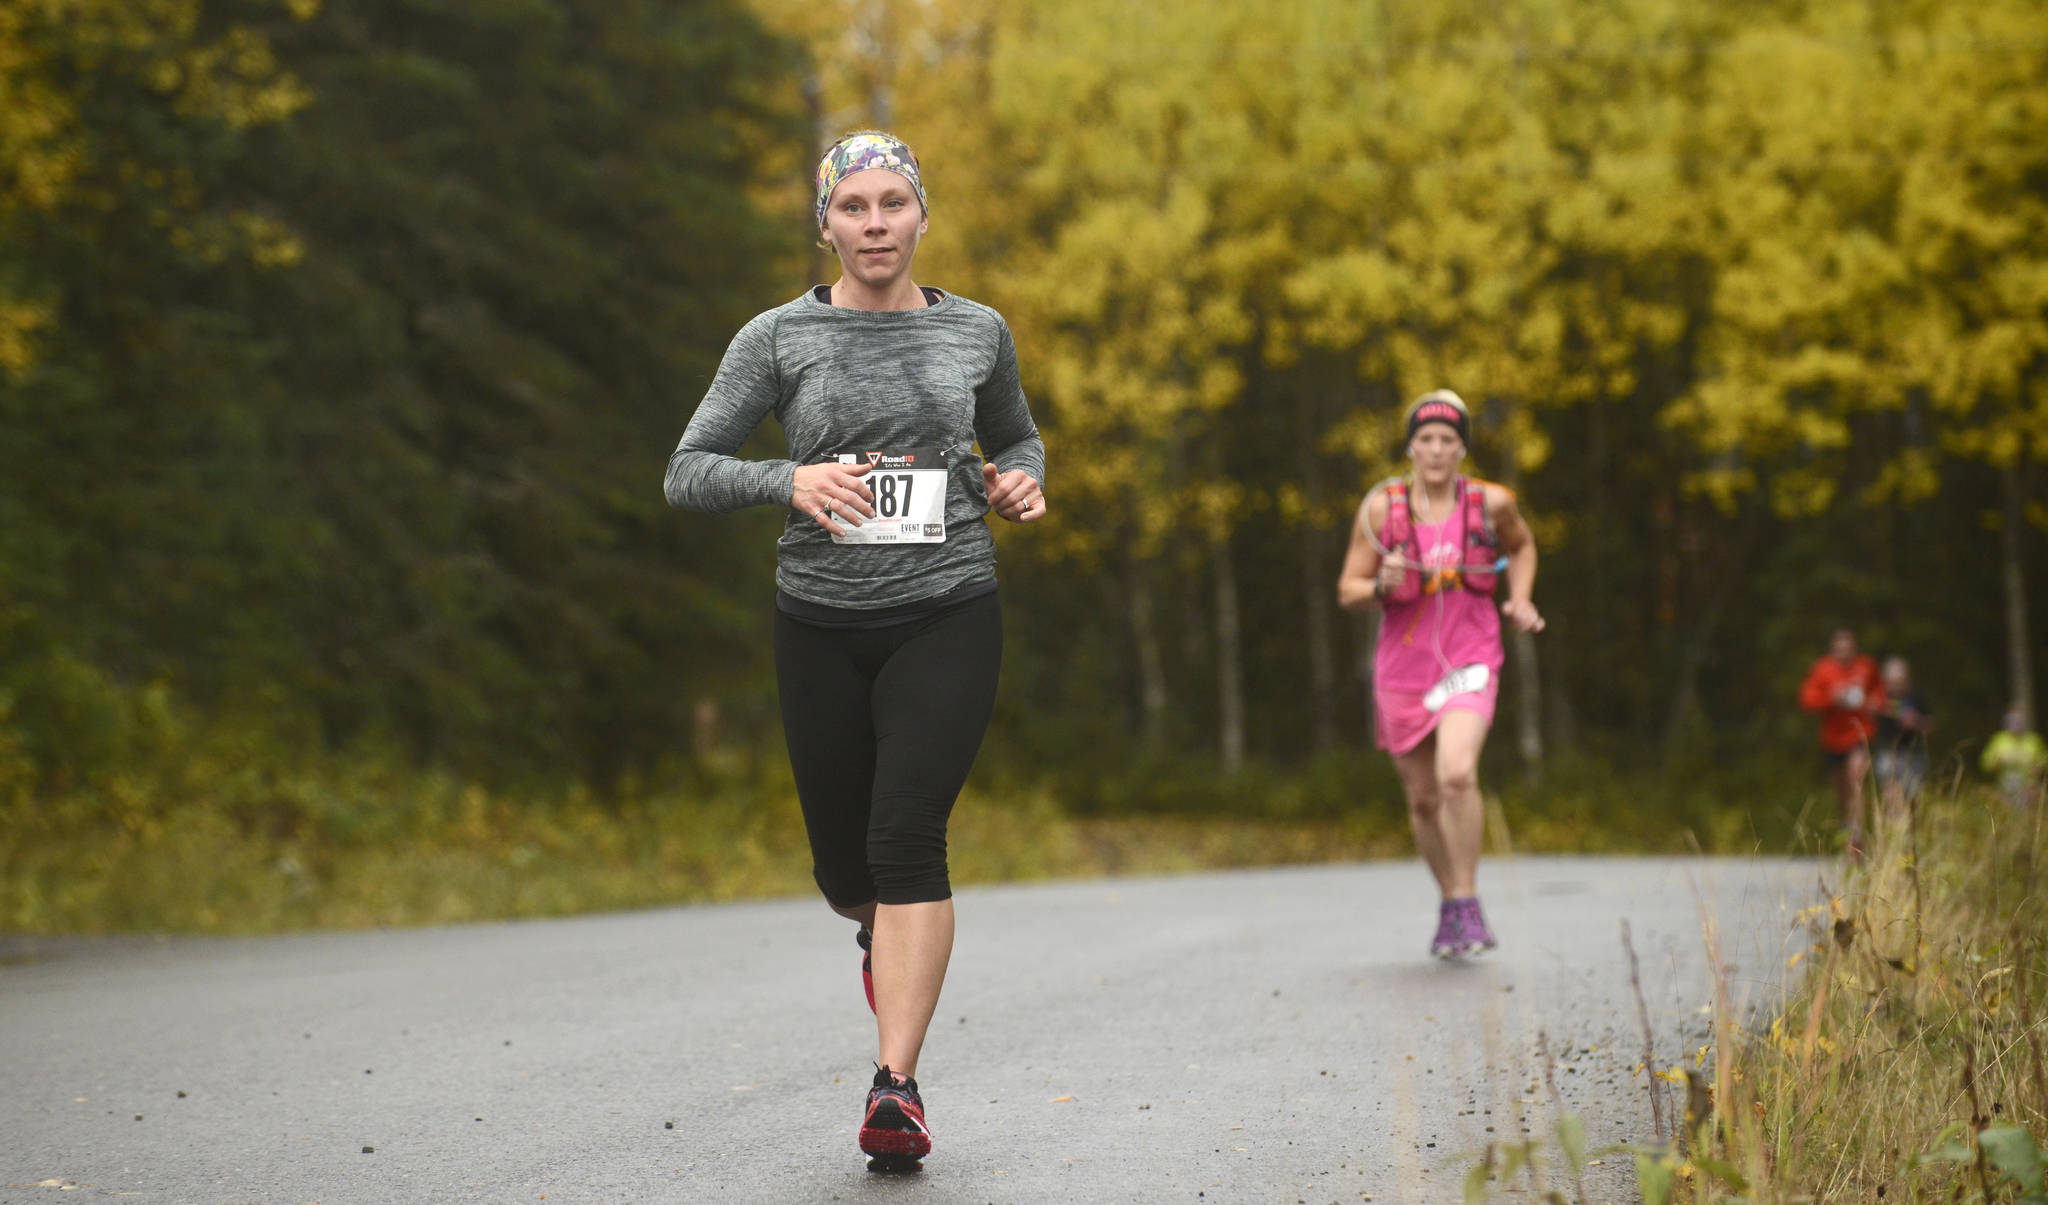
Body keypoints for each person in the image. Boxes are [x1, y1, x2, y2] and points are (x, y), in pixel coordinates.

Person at [663, 130, 1046, 1169]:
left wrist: (1021, 481)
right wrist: (785, 479)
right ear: (824, 222)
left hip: (947, 605)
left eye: (892, 204)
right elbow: (687, 468)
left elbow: (1015, 437)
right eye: (854, 208)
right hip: (820, 621)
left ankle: (896, 1085)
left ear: (922, 214)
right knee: (846, 869)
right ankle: (880, 940)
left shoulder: (977, 331)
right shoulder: (777, 337)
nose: (874, 224)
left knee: (907, 837)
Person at [1335, 389, 1544, 959]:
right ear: (1410, 446)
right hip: (1403, 668)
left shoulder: (1491, 503)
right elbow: (1347, 590)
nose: (1435, 449)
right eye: (1425, 438)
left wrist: (1520, 599)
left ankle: (1470, 898)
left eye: (1447, 439)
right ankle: (1451, 901)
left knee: (1456, 774)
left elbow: (1522, 548)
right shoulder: (1382, 509)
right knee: (1424, 799)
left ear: (1462, 448)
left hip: (1471, 656)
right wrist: (1382, 582)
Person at [1797, 628, 1886, 858]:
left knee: (1857, 780)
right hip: (1833, 739)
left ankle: (1856, 842)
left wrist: (1876, 703)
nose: (1844, 652)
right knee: (1843, 791)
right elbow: (1807, 700)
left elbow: (1880, 694)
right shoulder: (1823, 669)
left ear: (1855, 647)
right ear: (1833, 649)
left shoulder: (1866, 666)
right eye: (1840, 648)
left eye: (1848, 647)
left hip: (1860, 734)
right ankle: (1847, 831)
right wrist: (1832, 698)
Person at [1872, 656, 1934, 814]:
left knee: (1913, 799)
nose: (1896, 685)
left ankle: (1910, 833)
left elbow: (1930, 725)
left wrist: (1916, 722)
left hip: (1914, 756)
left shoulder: (1916, 697)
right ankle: (1894, 831)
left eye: (1900, 681)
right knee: (1891, 796)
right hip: (1888, 755)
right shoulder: (1879, 698)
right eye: (1892, 681)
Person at [1981, 706, 2046, 809]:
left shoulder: (2033, 741)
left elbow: (2044, 761)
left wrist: (2038, 767)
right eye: (2012, 721)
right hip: (2004, 788)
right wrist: (1997, 762)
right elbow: (1985, 764)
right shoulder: (1998, 740)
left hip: (2028, 789)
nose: (2016, 724)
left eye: (2019, 721)